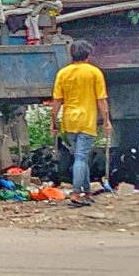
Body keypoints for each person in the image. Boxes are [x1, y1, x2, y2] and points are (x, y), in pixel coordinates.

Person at [50, 40, 113, 207]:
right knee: (81, 157)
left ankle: (86, 190)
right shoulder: (94, 73)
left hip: (69, 121)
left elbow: (56, 101)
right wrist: (106, 121)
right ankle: (77, 192)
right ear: (88, 54)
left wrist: (53, 122)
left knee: (80, 157)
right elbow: (102, 100)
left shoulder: (63, 73)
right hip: (86, 121)